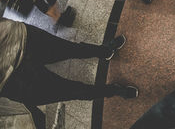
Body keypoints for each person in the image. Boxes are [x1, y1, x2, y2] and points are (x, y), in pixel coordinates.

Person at [0, 17, 139, 107]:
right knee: (75, 91)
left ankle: (105, 51)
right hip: (10, 81)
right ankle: (112, 90)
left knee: (73, 49)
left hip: (19, 36)